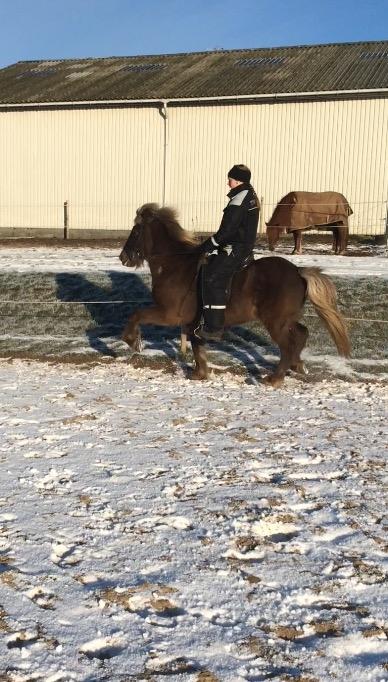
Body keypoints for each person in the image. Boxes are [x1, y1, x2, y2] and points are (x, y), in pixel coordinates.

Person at [195, 164, 260, 341]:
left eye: (230, 179)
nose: (227, 182)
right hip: (239, 244)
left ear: (238, 180)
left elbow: (228, 230)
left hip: (236, 247)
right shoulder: (247, 194)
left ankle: (214, 328)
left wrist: (210, 244)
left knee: (212, 278)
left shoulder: (240, 199)